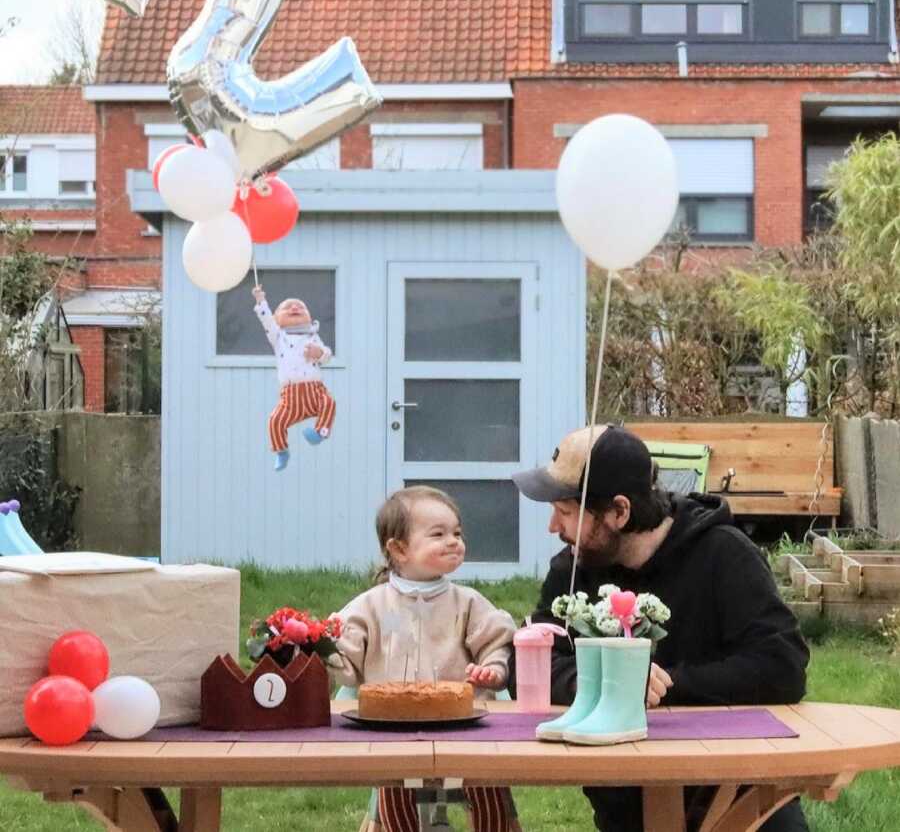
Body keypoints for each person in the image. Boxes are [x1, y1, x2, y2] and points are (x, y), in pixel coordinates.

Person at [510, 424, 810, 832]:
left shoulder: (722, 553)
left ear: (619, 512)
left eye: (565, 512)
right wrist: (594, 683)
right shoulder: (574, 568)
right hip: (627, 803)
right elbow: (529, 659)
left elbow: (782, 667)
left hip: (736, 796)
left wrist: (666, 686)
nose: (552, 527)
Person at [331, 485, 518, 832]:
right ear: (398, 549)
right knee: (393, 786)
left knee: (490, 783)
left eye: (457, 533)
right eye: (438, 534)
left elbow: (496, 641)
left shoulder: (467, 603)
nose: (453, 541)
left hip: (464, 725)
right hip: (391, 730)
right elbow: (342, 658)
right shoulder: (371, 606)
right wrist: (320, 651)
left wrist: (492, 669)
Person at [252, 285, 336, 471]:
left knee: (329, 403)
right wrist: (260, 301)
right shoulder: (278, 337)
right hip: (290, 397)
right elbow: (266, 319)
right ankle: (281, 451)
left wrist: (319, 352)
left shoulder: (313, 336)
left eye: (300, 306)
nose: (295, 308)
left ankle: (320, 432)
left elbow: (327, 355)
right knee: (275, 421)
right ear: (277, 319)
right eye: (287, 307)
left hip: (315, 391)